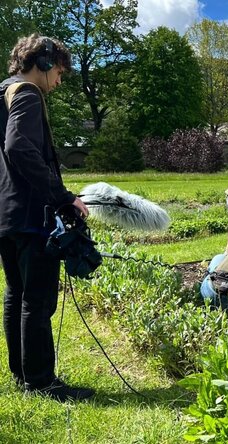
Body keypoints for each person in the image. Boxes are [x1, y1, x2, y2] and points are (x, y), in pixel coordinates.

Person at [0, 35, 94, 401]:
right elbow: (19, 147)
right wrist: (63, 198)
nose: (58, 81)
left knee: (17, 294)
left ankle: (23, 374)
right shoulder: (26, 94)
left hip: (7, 215)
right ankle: (41, 382)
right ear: (42, 63)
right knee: (37, 300)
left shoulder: (4, 91)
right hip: (30, 215)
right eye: (58, 72)